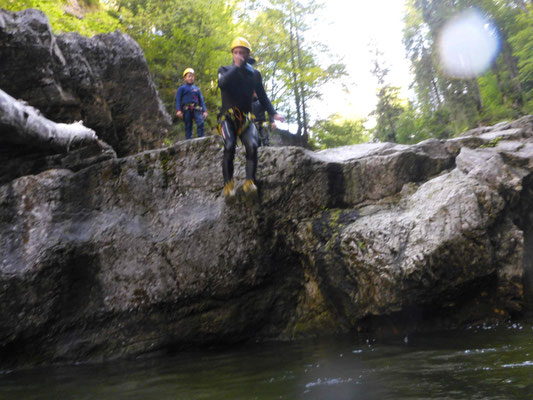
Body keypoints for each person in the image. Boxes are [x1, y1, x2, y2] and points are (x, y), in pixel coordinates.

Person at [218, 37, 285, 199]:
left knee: (253, 145)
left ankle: (250, 182)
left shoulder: (254, 75)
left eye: (242, 52)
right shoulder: (225, 70)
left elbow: (262, 96)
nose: (239, 55)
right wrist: (236, 67)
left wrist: (273, 113)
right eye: (236, 52)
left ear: (248, 55)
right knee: (229, 146)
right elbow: (222, 84)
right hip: (227, 118)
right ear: (232, 54)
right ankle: (228, 184)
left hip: (246, 119)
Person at [175, 68, 208, 139]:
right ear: (185, 78)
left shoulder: (197, 89)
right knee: (188, 125)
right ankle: (188, 140)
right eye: (189, 76)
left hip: (196, 108)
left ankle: (201, 138)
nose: (191, 78)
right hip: (186, 109)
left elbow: (201, 100)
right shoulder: (181, 88)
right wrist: (178, 110)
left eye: (192, 76)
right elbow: (178, 100)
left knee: (200, 122)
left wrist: (205, 111)